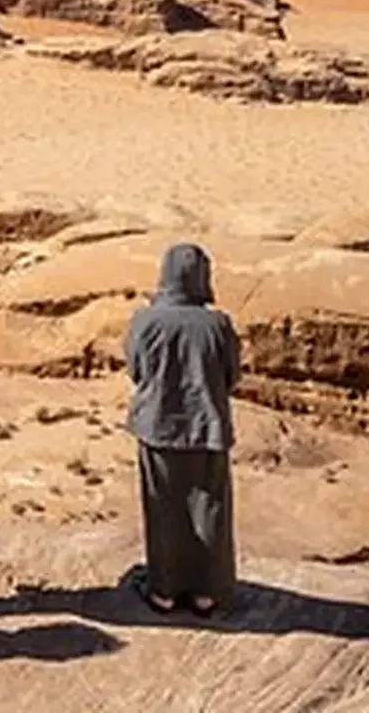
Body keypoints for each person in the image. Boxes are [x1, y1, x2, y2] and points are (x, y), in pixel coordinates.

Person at [124, 242, 241, 616]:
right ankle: (206, 592)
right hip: (207, 428)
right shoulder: (218, 324)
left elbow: (136, 370)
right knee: (208, 508)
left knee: (163, 510)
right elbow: (231, 376)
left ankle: (164, 590)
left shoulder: (145, 321)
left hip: (157, 426)